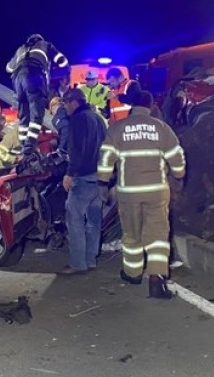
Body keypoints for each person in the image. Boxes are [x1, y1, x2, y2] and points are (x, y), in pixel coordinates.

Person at [98, 91, 185, 298]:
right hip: (157, 192)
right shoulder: (162, 128)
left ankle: (133, 273)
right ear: (151, 105)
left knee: (131, 235)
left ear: (132, 106)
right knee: (158, 236)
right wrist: (179, 176)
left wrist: (102, 182)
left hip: (129, 192)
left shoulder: (118, 128)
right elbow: (177, 157)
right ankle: (156, 278)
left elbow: (106, 157)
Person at [59, 89, 106, 275]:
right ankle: (90, 259)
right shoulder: (98, 119)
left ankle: (78, 263)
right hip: (99, 177)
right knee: (94, 221)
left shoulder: (78, 119)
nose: (65, 108)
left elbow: (77, 149)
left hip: (83, 177)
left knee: (75, 219)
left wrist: (69, 173)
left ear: (73, 102)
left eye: (65, 104)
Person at [6, 34, 68, 155]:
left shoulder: (20, 49)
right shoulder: (45, 45)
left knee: (24, 115)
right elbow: (62, 60)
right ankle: (29, 147)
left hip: (17, 80)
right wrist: (60, 69)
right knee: (37, 114)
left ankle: (23, 145)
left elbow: (8, 68)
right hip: (34, 74)